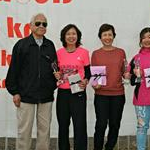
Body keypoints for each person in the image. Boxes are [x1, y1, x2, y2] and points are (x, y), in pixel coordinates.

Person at [5, 13, 57, 150]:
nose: (41, 26)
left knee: (44, 132)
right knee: (24, 132)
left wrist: (53, 84)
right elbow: (13, 70)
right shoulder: (21, 45)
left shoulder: (50, 45)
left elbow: (55, 68)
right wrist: (15, 92)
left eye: (44, 24)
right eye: (38, 23)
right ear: (30, 26)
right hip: (25, 96)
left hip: (46, 96)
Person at [91, 23, 129, 150]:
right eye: (104, 35)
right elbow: (95, 76)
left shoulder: (121, 52)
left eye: (110, 34)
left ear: (113, 36)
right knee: (101, 125)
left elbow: (124, 72)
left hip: (118, 94)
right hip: (101, 95)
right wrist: (94, 85)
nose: (107, 37)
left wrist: (128, 74)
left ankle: (109, 147)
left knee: (114, 124)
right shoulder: (96, 54)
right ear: (100, 37)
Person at [54, 24, 91, 150]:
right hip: (63, 93)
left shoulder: (84, 52)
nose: (71, 36)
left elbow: (88, 72)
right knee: (63, 125)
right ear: (64, 37)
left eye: (74, 34)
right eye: (68, 34)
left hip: (78, 93)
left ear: (78, 36)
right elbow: (55, 72)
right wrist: (56, 74)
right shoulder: (58, 53)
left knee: (80, 125)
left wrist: (86, 80)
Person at [129, 27, 150, 150]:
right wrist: (136, 76)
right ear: (140, 40)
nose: (147, 40)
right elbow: (132, 81)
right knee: (142, 127)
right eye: (144, 37)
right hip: (141, 99)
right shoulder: (136, 58)